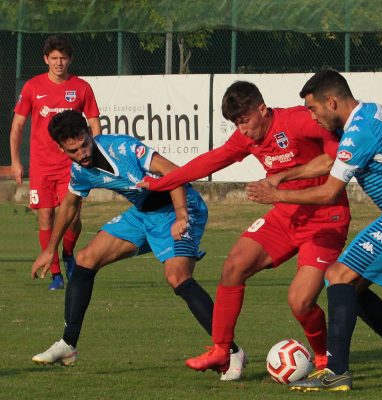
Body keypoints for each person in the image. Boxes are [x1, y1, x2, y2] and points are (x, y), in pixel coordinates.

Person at [246, 69, 382, 391]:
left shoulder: (358, 132)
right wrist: (284, 176)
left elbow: (329, 192)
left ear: (331, 101)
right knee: (351, 288)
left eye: (313, 109)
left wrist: (276, 196)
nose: (312, 117)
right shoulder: (363, 117)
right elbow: (329, 161)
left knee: (337, 275)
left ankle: (337, 372)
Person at [137, 81, 351, 380]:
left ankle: (320, 357)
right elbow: (207, 162)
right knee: (233, 266)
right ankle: (221, 349)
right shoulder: (245, 138)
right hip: (285, 216)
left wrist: (282, 177)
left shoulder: (297, 120)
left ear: (262, 109)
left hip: (325, 219)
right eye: (237, 124)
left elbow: (333, 158)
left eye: (246, 121)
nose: (243, 130)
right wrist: (161, 183)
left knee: (300, 302)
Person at [30, 110, 244, 380]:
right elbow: (70, 205)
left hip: (180, 206)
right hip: (143, 214)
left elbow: (174, 173)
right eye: (74, 150)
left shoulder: (123, 147)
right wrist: (50, 249)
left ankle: (231, 351)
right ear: (62, 149)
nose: (82, 153)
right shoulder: (80, 171)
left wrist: (181, 216)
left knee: (177, 276)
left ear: (89, 134)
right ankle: (68, 345)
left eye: (85, 143)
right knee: (85, 259)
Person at [10, 35, 101, 290]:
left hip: (71, 166)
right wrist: (16, 162)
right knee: (45, 219)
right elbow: (17, 126)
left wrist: (94, 153)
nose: (59, 63)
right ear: (46, 60)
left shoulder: (81, 87)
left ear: (70, 59)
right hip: (41, 167)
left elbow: (94, 123)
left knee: (72, 219)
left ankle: (69, 253)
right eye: (54, 58)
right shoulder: (32, 87)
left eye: (63, 58)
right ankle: (55, 275)